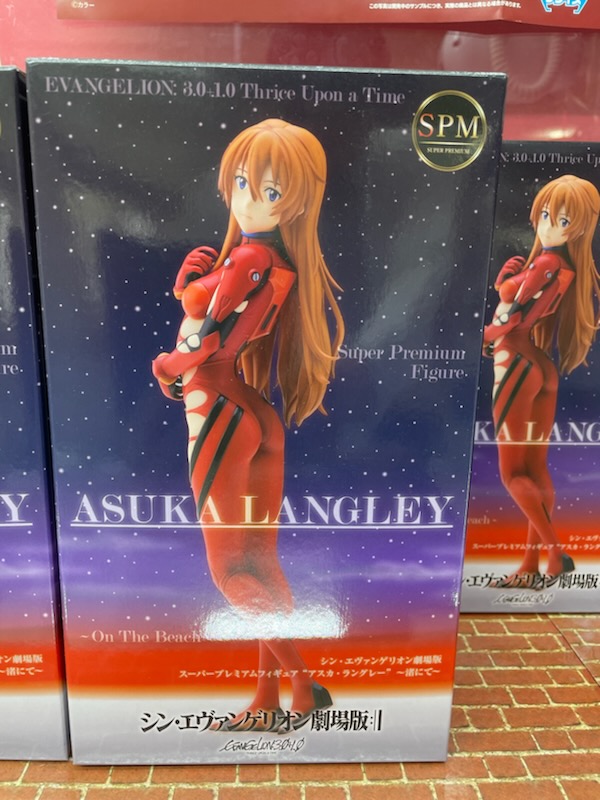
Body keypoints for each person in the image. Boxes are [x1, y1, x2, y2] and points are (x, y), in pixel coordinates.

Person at [152, 118, 344, 731]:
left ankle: (302, 682)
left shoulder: (251, 255)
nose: (249, 201)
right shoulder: (276, 259)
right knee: (260, 564)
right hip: (252, 411)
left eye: (270, 191)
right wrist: (189, 285)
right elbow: (214, 313)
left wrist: (167, 364)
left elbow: (209, 337)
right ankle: (268, 699)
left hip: (217, 408)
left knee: (231, 573)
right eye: (241, 183)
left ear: (296, 202)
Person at [483, 174, 600, 589]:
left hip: (514, 361)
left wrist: (488, 329)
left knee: (512, 474)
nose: (548, 227)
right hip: (538, 364)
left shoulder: (547, 263)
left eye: (562, 221)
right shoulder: (564, 266)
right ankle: (532, 564)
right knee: (534, 467)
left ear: (579, 228)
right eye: (546, 215)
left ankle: (555, 553)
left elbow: (511, 309)